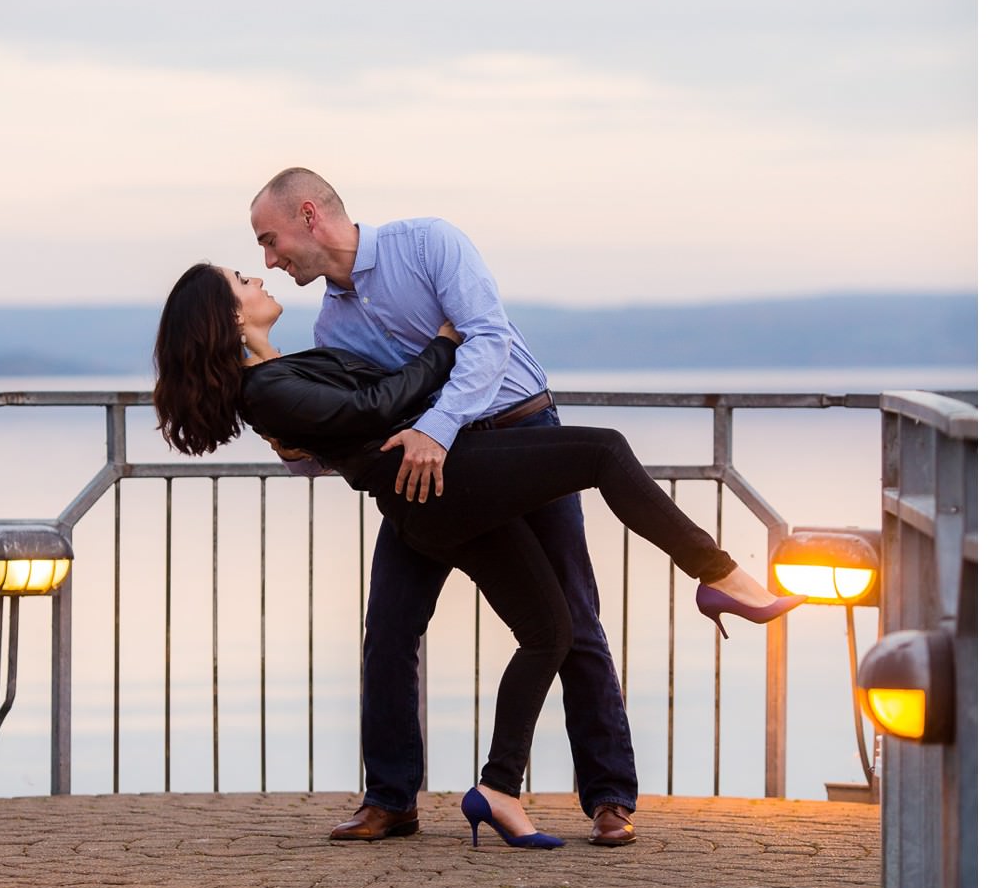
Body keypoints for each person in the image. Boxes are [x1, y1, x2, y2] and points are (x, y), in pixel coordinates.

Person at [153, 263, 802, 848]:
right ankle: (717, 574)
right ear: (230, 316)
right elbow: (377, 406)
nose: (260, 272)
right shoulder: (265, 389)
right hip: (446, 487)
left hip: (443, 490)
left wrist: (323, 437)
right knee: (601, 452)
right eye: (242, 276)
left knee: (550, 631)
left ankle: (496, 789)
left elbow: (352, 418)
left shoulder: (282, 372)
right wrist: (444, 342)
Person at [248, 168, 643, 847]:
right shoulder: (332, 325)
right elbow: (369, 418)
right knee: (389, 629)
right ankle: (391, 799)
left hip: (519, 436)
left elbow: (485, 338)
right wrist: (298, 452)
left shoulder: (428, 244)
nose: (269, 260)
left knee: (573, 619)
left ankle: (607, 795)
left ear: (309, 215)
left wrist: (438, 425)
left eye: (271, 240)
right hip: (430, 474)